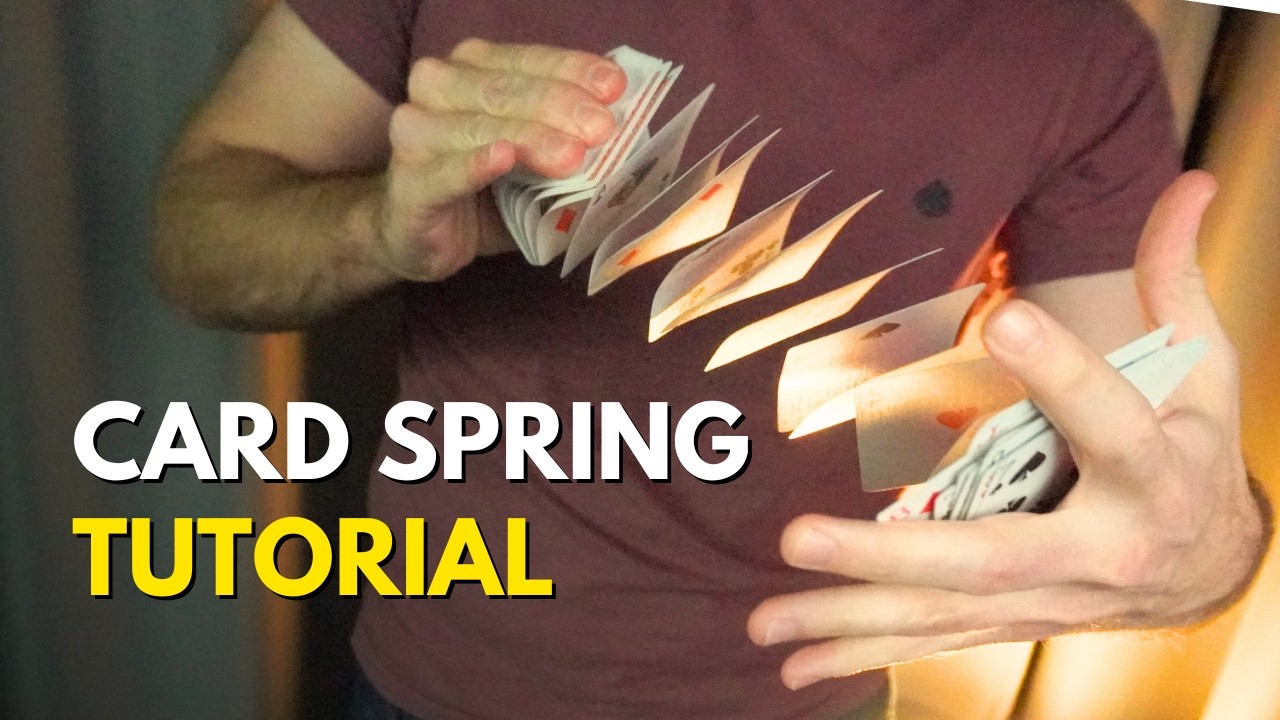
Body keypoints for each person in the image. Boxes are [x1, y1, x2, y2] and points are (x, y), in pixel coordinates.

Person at [152, 1, 1271, 718]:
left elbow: (1134, 457)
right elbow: (196, 234)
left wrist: (1200, 550)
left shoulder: (1080, 49)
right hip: (443, 677)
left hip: (805, 695)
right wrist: (379, 229)